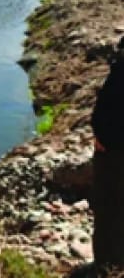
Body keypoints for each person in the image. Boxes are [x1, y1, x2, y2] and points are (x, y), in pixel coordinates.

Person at [89, 36, 124, 275]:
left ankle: (108, 264)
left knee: (110, 206)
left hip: (114, 150)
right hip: (112, 144)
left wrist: (105, 136)